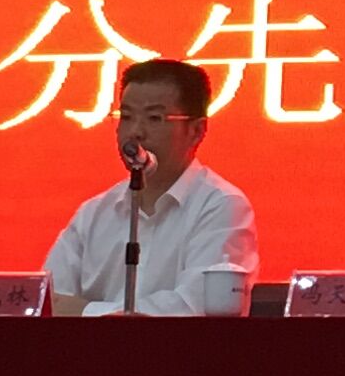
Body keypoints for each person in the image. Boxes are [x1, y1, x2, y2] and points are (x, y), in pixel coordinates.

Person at [43, 58, 258, 315]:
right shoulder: (93, 213)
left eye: (154, 118)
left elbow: (195, 307)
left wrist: (87, 312)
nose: (135, 131)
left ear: (196, 130)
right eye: (126, 116)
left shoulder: (222, 205)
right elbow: (49, 301)